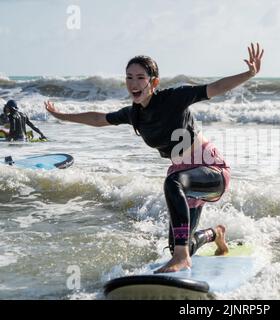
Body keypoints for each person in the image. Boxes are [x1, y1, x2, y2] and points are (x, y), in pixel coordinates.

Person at [45, 43, 264, 273]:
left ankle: (182, 258)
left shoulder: (175, 98)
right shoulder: (134, 114)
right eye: (129, 77)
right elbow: (99, 119)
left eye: (140, 77)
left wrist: (249, 73)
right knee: (180, 244)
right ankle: (214, 234)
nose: (133, 83)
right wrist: (61, 116)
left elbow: (215, 87)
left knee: (173, 183)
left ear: (154, 82)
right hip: (188, 182)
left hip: (212, 172)